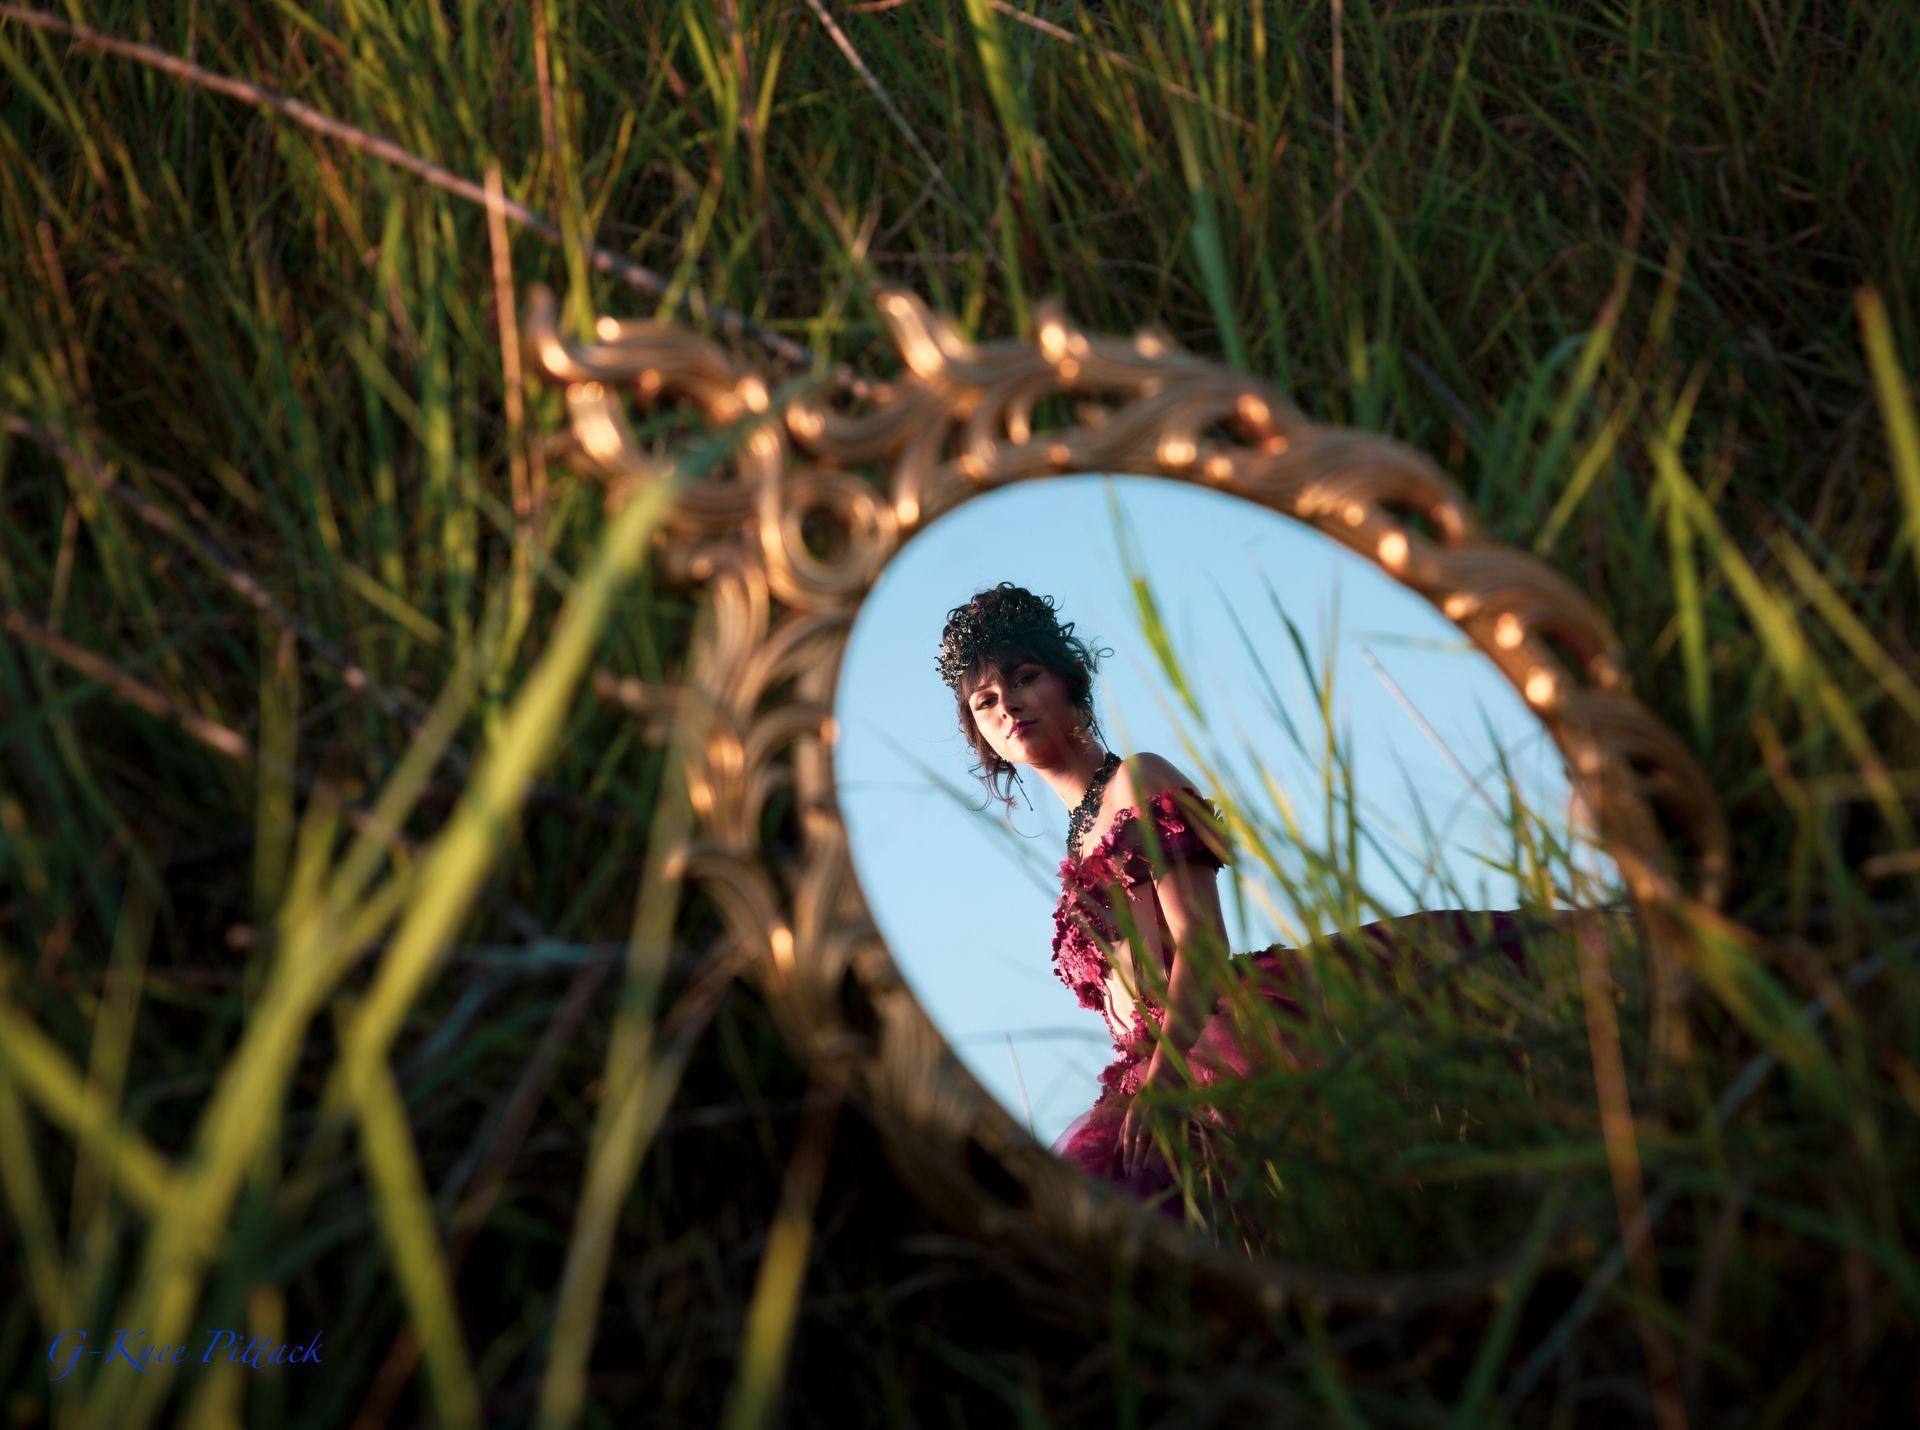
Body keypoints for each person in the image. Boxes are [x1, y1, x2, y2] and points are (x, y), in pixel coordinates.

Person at [936, 581, 1536, 1227]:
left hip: (1212, 1039)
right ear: (980, 735)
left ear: (1070, 682)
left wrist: (1168, 1073)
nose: (1010, 707)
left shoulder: (1138, 778)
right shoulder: (1077, 840)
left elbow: (1201, 943)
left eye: (1026, 678)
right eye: (986, 701)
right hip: (1150, 1066)